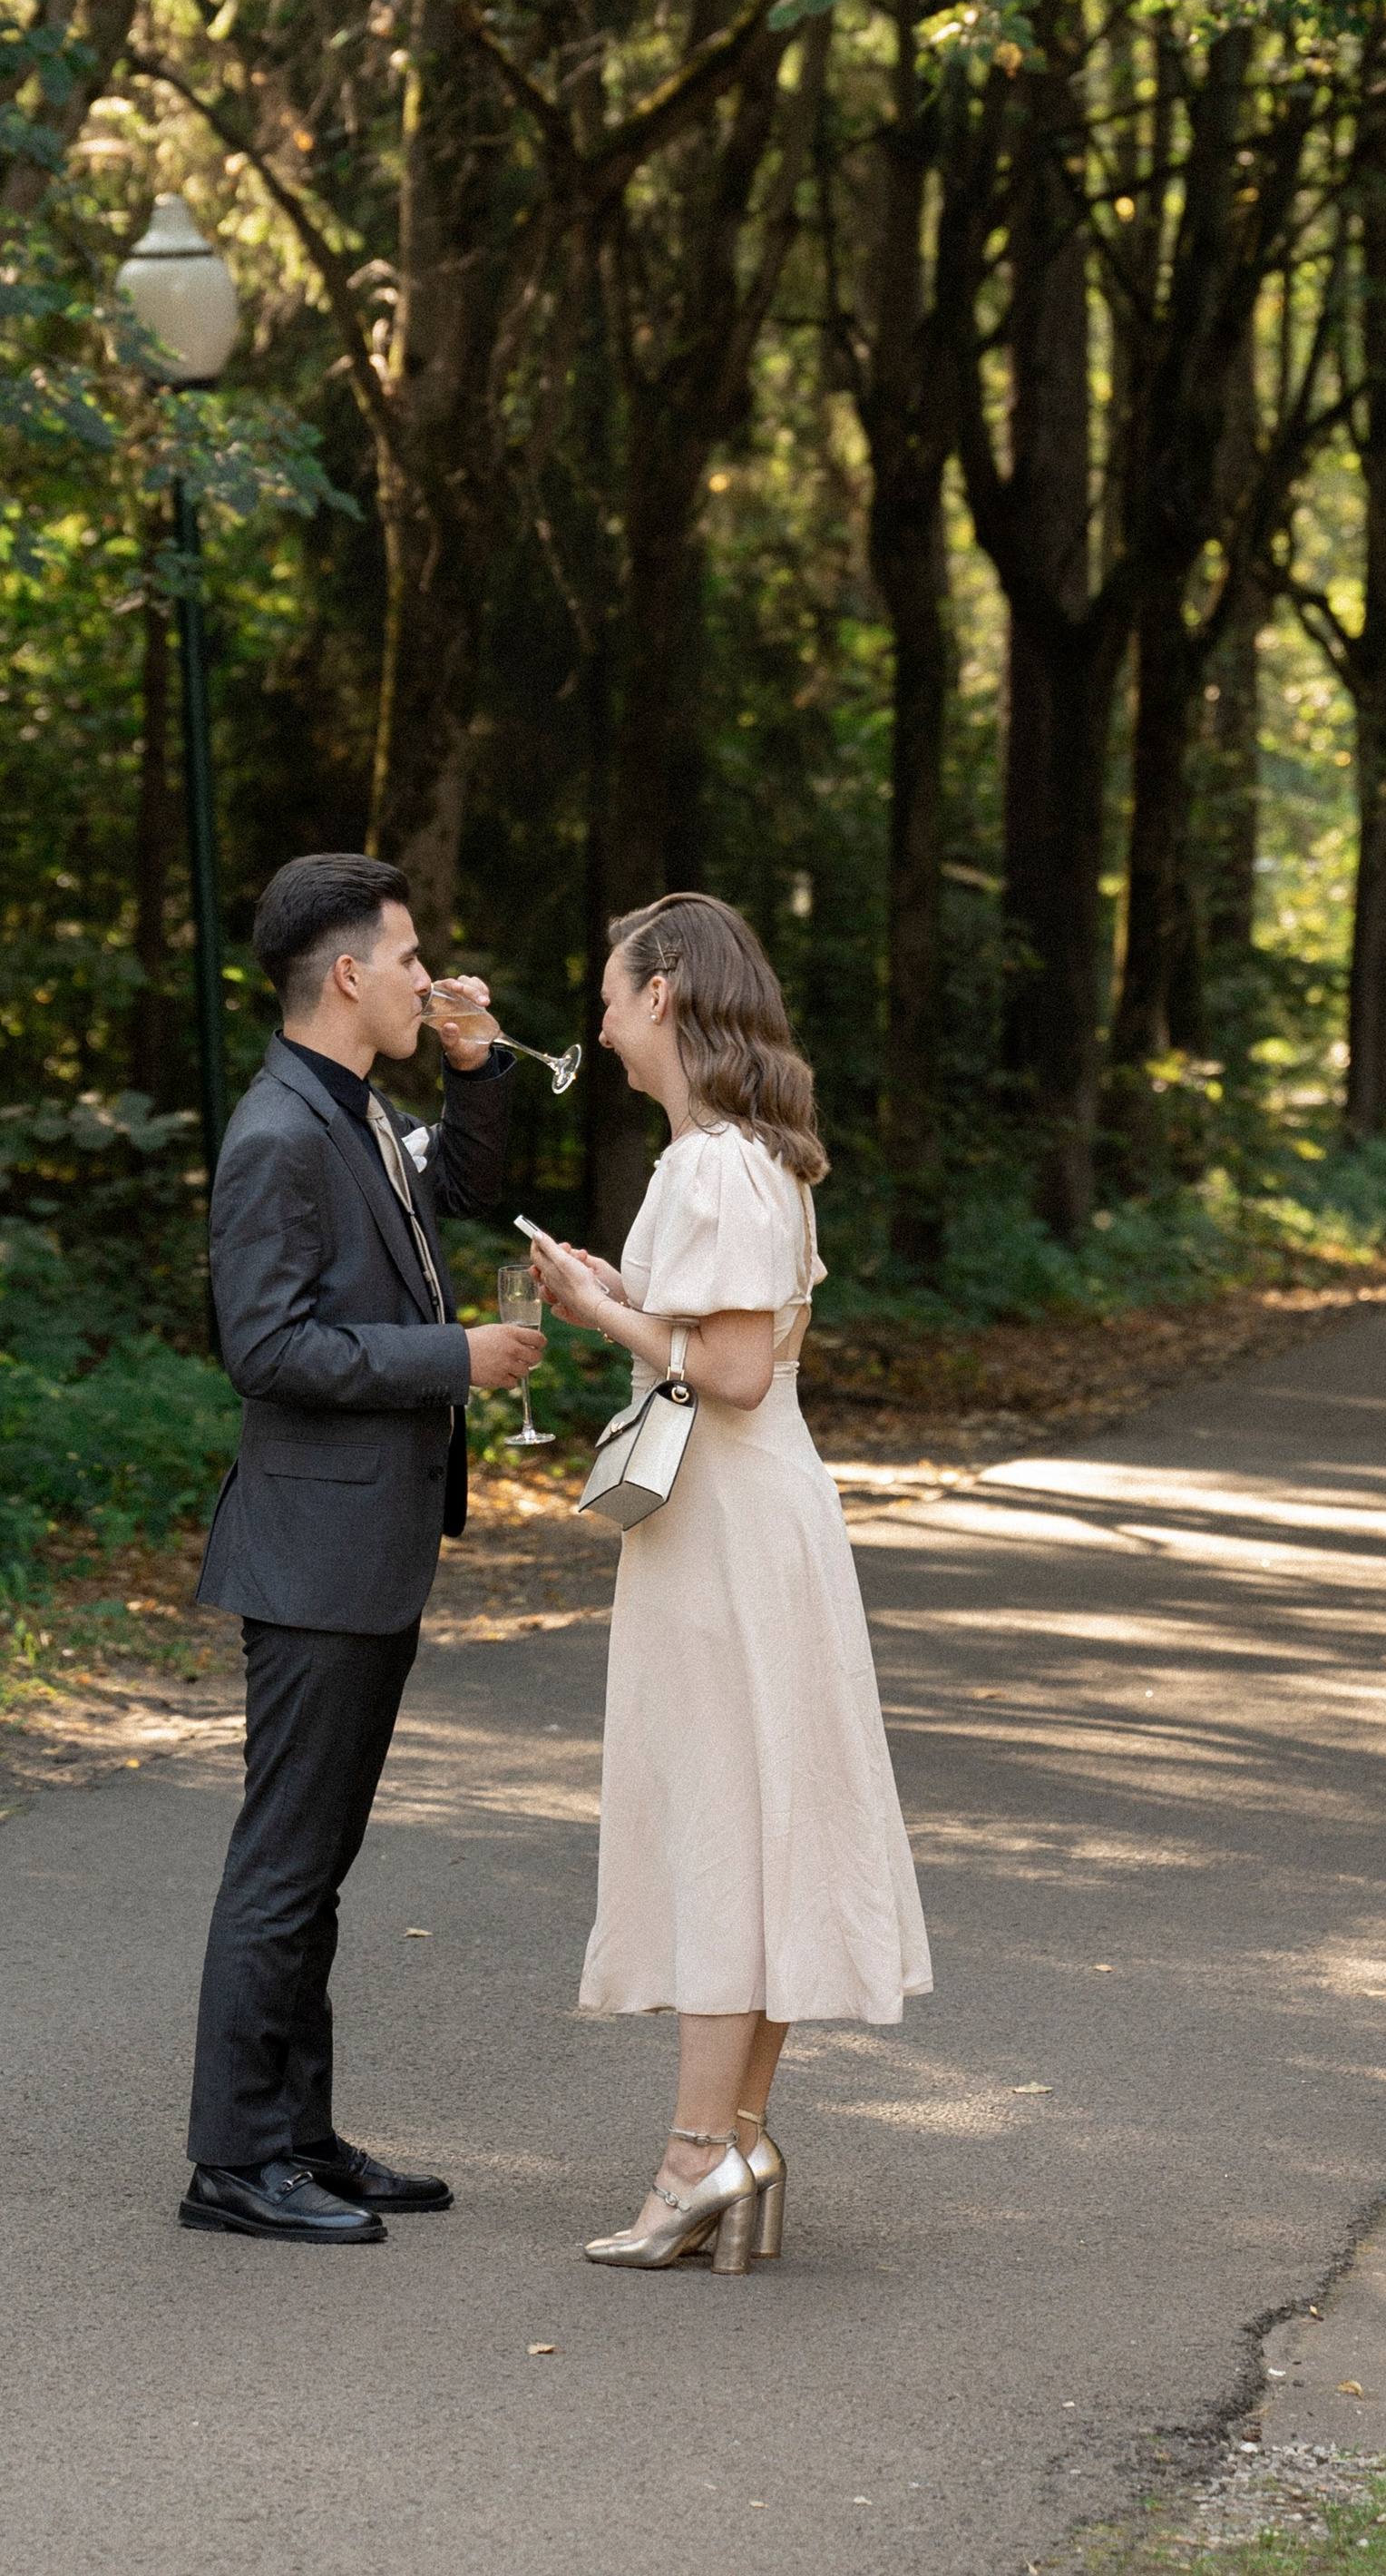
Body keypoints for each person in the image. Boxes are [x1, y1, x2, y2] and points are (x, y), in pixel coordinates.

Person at [531, 890, 930, 2271]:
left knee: (720, 1817)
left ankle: (695, 2155)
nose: (599, 1026)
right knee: (759, 1823)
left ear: (661, 995)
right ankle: (736, 2136)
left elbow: (737, 1371)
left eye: (608, 997)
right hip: (756, 1513)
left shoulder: (709, 1164)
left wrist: (596, 1309)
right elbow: (727, 1341)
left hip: (728, 1525)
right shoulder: (754, 1155)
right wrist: (630, 1298)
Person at [181, 852, 538, 2246]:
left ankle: (299, 2137)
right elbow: (265, 1350)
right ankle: (231, 2164)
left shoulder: (357, 1108)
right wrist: (453, 1356)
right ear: (346, 974)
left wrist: (479, 1065)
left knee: (315, 1863)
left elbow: (464, 1190)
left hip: (362, 1546)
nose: (427, 976)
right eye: (409, 958)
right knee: (285, 1863)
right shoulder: (278, 1133)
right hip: (313, 1551)